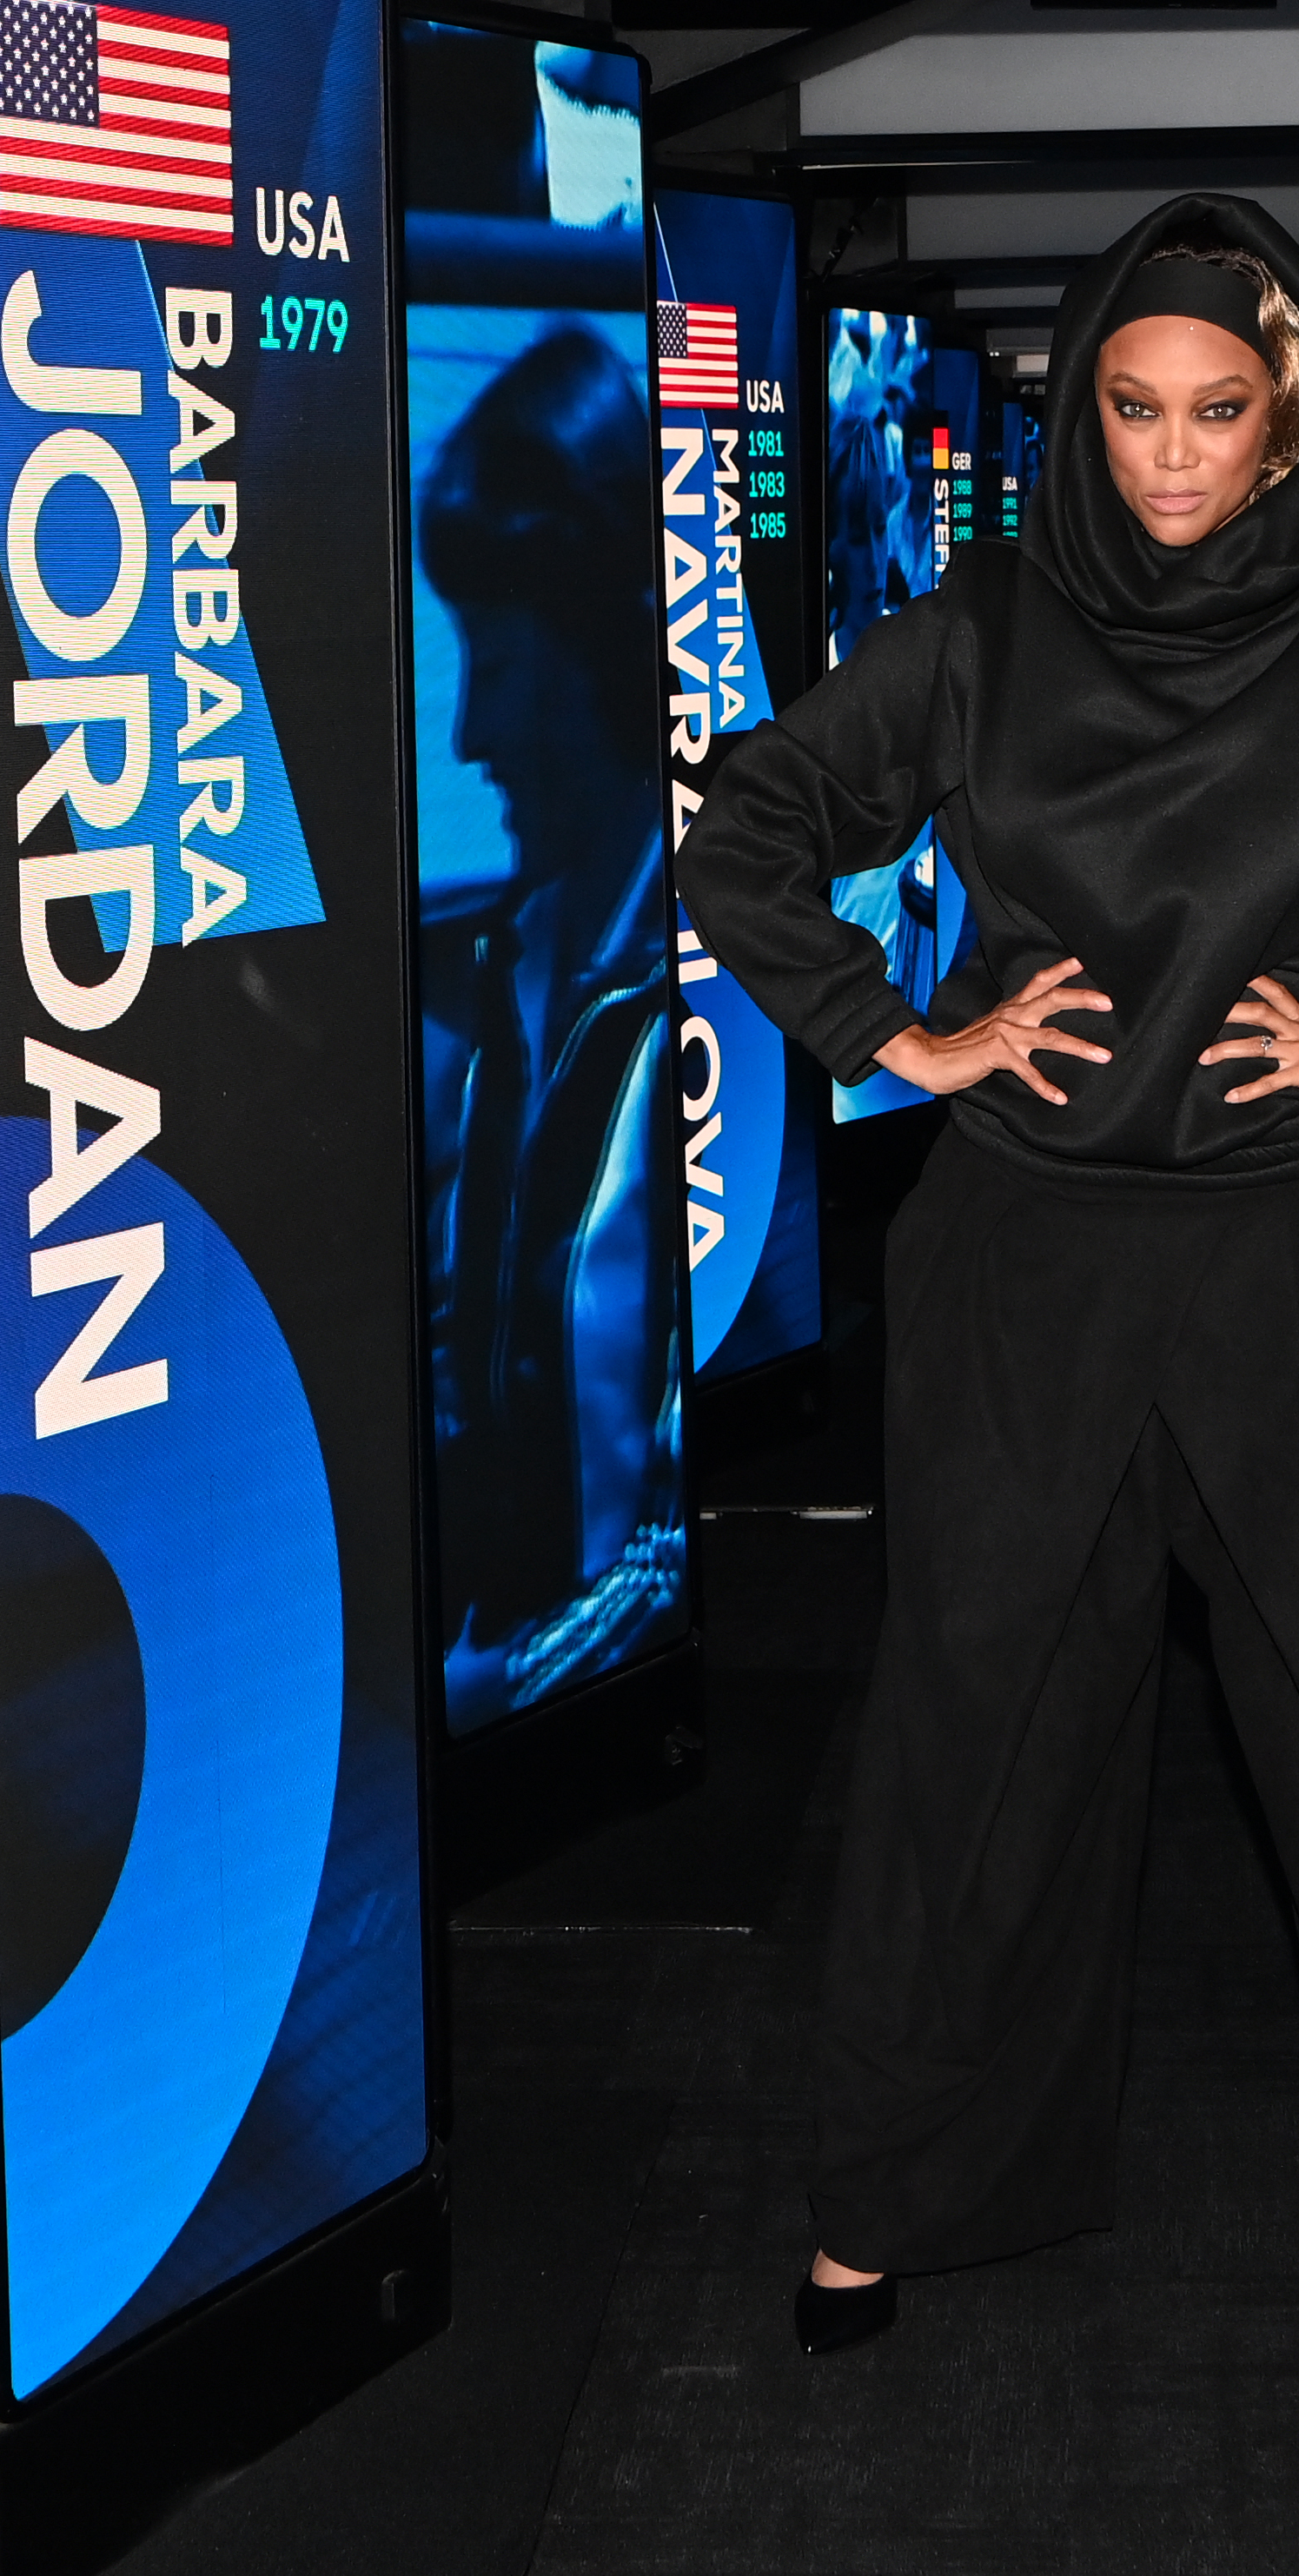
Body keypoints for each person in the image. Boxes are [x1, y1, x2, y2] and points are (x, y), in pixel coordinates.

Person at [676, 195, 1299, 2410]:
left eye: (1217, 410)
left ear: (1289, 407)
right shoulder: (980, 627)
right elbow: (746, 820)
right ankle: (887, 2191)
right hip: (1019, 1262)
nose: (1170, 456)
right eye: (1128, 407)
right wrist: (890, 1028)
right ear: (1077, 410)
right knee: (967, 1745)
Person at [419, 326, 685, 1726]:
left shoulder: (716, 979)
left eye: (505, 668)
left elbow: (687, 1526)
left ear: (606, 649)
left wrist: (491, 1694)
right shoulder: (506, 956)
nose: (466, 730)